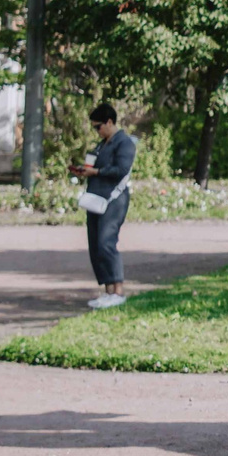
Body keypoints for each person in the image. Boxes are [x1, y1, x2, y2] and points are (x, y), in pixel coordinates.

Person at [68, 103, 136, 308]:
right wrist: (84, 171)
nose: (97, 131)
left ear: (109, 122)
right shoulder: (102, 144)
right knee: (96, 244)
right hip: (96, 198)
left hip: (114, 199)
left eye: (98, 127)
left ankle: (119, 290)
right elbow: (95, 166)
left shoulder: (124, 143)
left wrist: (96, 172)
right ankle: (107, 290)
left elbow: (121, 170)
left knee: (107, 242)